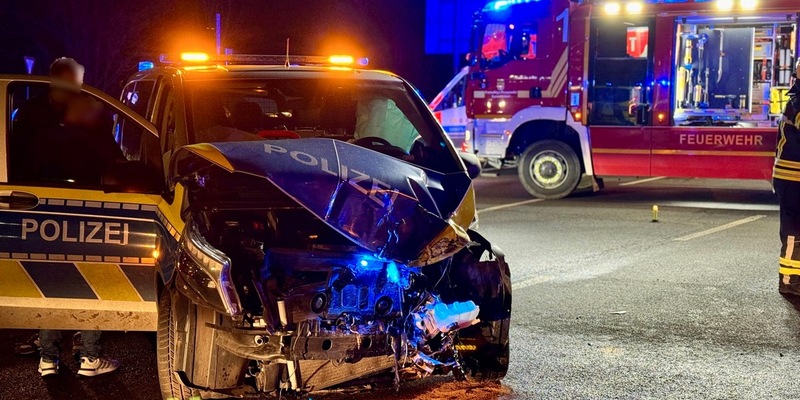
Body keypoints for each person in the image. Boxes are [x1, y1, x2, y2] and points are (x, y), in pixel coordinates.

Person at [11, 58, 120, 377]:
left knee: (51, 282)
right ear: (73, 81)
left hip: (38, 205)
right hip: (84, 206)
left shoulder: (30, 111)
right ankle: (88, 357)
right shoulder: (88, 112)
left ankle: (48, 359)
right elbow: (111, 157)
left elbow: (16, 156)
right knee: (91, 279)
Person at [774, 59, 800, 296]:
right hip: (793, 177)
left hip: (790, 176)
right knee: (794, 229)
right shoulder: (799, 103)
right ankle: (789, 280)